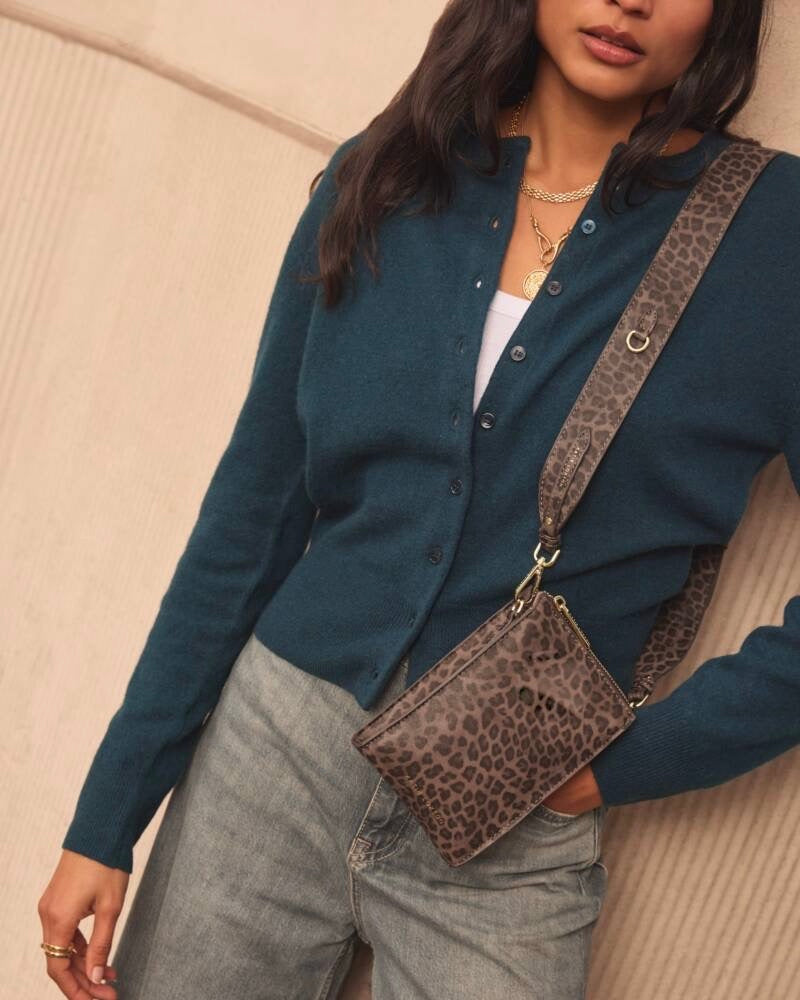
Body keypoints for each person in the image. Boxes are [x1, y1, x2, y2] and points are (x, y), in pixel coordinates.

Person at [38, 0, 800, 997]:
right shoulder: (387, 175)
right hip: (270, 756)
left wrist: (617, 767)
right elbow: (250, 516)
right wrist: (107, 818)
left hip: (513, 815)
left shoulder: (776, 236)